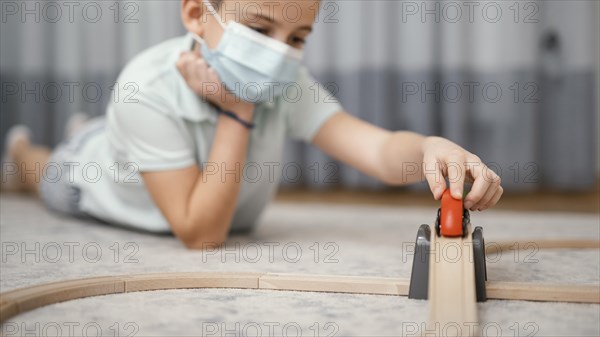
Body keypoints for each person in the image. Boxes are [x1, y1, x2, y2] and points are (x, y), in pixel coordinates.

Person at [1, 0, 503, 249]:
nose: (279, 53)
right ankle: (31, 148)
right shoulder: (145, 88)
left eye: (298, 38)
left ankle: (94, 132)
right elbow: (201, 232)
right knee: (44, 169)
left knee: (106, 139)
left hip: (144, 145)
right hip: (86, 183)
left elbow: (377, 150)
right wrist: (237, 111)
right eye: (260, 29)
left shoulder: (285, 83)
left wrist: (431, 148)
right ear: (198, 15)